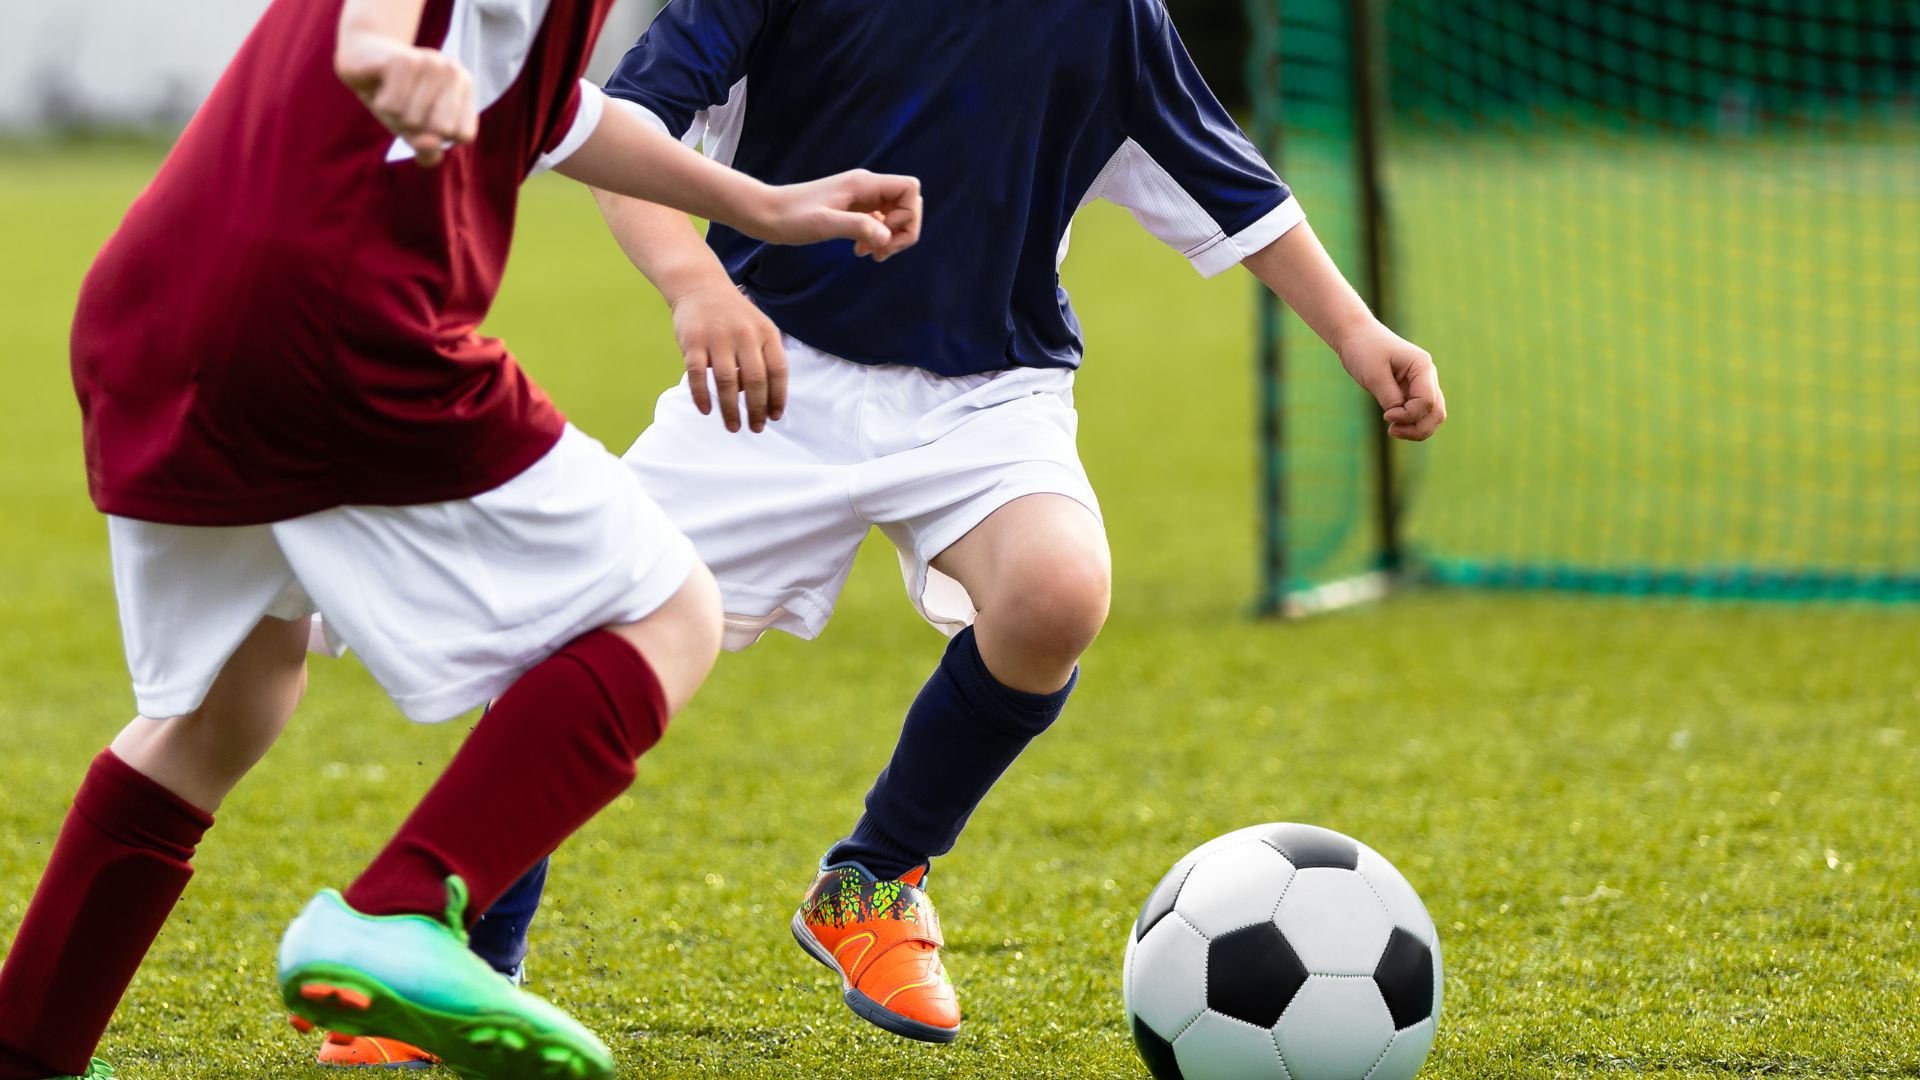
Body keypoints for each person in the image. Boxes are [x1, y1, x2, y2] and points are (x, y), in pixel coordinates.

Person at [309, 0, 1447, 1061]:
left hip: (988, 396)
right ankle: (461, 959)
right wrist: (696, 284)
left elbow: (1231, 185)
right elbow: (628, 129)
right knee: (579, 635)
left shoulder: (1111, 14)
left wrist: (1358, 336)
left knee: (1056, 594)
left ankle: (872, 882)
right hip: (770, 376)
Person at [0, 0, 920, 1073]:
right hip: (332, 315)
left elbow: (550, 107)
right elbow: (380, 32)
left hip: (163, 302)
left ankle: (27, 1048)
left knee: (229, 703)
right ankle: (400, 913)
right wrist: (381, 52)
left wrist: (757, 204)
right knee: (670, 608)